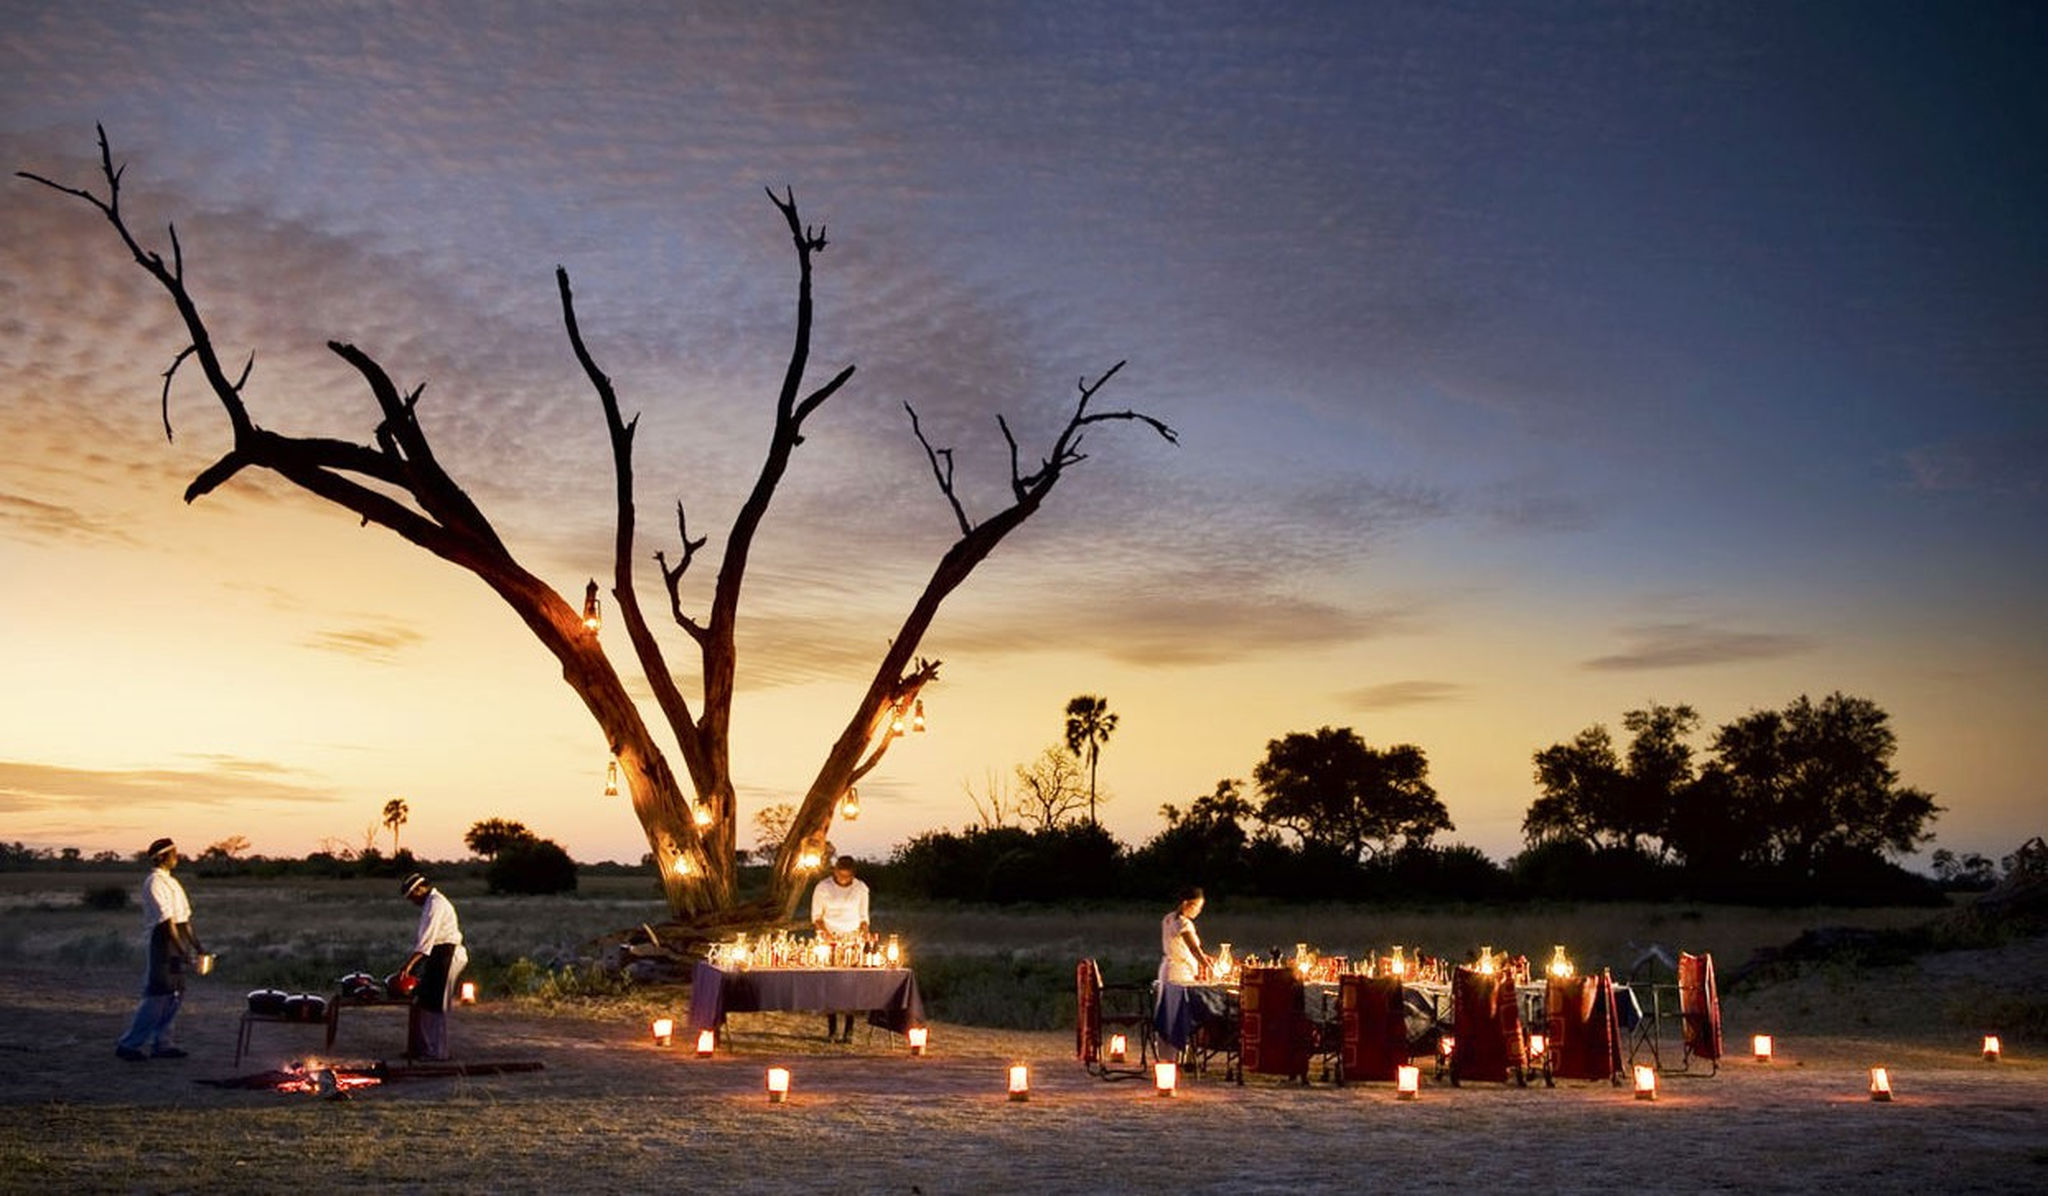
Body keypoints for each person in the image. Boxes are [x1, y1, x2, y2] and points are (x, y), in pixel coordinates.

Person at [115, 837, 205, 1061]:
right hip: (161, 943)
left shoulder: (172, 883)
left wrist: (198, 947)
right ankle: (129, 1044)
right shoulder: (154, 883)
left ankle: (162, 1043)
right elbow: (166, 923)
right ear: (163, 857)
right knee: (158, 994)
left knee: (175, 994)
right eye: (174, 853)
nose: (177, 857)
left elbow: (183, 920)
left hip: (174, 942)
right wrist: (183, 952)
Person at [398, 872, 468, 1062]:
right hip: (438, 955)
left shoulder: (436, 904)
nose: (413, 901)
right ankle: (422, 1048)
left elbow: (426, 942)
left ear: (420, 889)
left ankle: (438, 1053)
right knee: (425, 1002)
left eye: (413, 896)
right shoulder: (431, 903)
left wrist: (409, 966)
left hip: (448, 954)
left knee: (437, 1005)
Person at [810, 855, 870, 1043]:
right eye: (840, 875)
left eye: (847, 877)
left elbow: (864, 917)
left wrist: (862, 935)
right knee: (831, 984)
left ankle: (849, 1029)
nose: (844, 880)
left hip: (852, 939)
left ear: (853, 874)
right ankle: (832, 1028)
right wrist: (826, 935)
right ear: (834, 871)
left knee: (850, 985)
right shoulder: (823, 887)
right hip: (829, 938)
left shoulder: (861, 888)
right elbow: (816, 916)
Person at [1158, 886, 1214, 986]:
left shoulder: (1169, 918)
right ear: (1185, 903)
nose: (1198, 911)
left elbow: (1179, 947)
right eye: (1197, 906)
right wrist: (1207, 965)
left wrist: (1203, 956)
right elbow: (1193, 948)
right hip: (1179, 973)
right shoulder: (1183, 923)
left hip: (1168, 970)